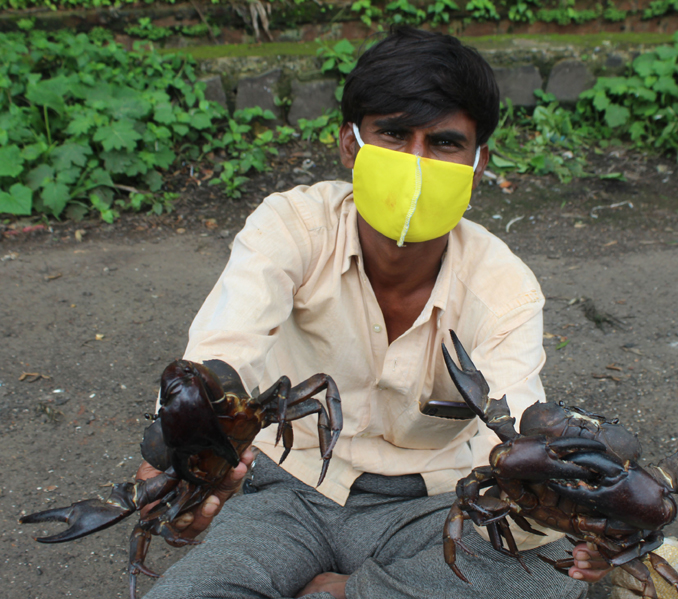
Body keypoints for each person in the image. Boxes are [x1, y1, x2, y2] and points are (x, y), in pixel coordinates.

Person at [140, 26, 611, 599]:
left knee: (550, 571)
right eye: (392, 134)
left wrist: (579, 517)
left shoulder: (504, 287)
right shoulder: (292, 226)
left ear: (478, 163)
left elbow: (516, 435)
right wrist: (187, 458)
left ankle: (335, 592)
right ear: (349, 144)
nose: (415, 163)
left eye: (443, 143)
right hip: (283, 489)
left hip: (435, 504)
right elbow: (220, 352)